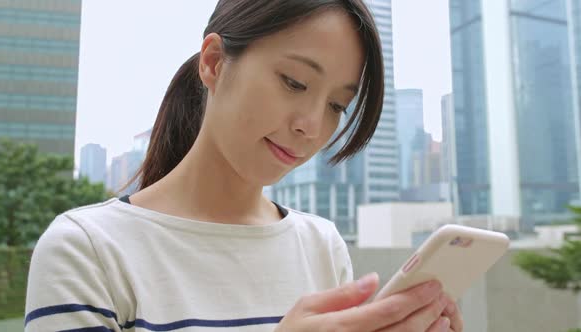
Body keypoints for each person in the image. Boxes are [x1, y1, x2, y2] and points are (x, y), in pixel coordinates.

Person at [24, 0, 463, 331]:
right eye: (293, 82)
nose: (311, 126)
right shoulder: (87, 249)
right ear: (213, 62)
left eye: (336, 105)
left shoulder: (321, 245)